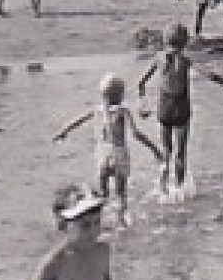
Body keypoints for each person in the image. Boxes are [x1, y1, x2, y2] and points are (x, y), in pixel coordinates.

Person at [54, 74, 163, 227]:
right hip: (119, 154)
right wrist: (154, 149)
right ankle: (122, 223)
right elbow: (136, 134)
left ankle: (100, 223)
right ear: (120, 95)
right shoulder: (122, 111)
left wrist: (63, 131)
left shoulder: (96, 111)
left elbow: (77, 121)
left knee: (103, 193)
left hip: (102, 155)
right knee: (121, 194)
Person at [137, 23, 223, 198]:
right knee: (181, 152)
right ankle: (179, 190)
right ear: (185, 42)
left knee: (166, 151)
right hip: (181, 108)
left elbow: (141, 82)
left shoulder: (159, 59)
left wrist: (142, 104)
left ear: (165, 40)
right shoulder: (186, 60)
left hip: (164, 108)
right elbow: (208, 74)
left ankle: (163, 189)